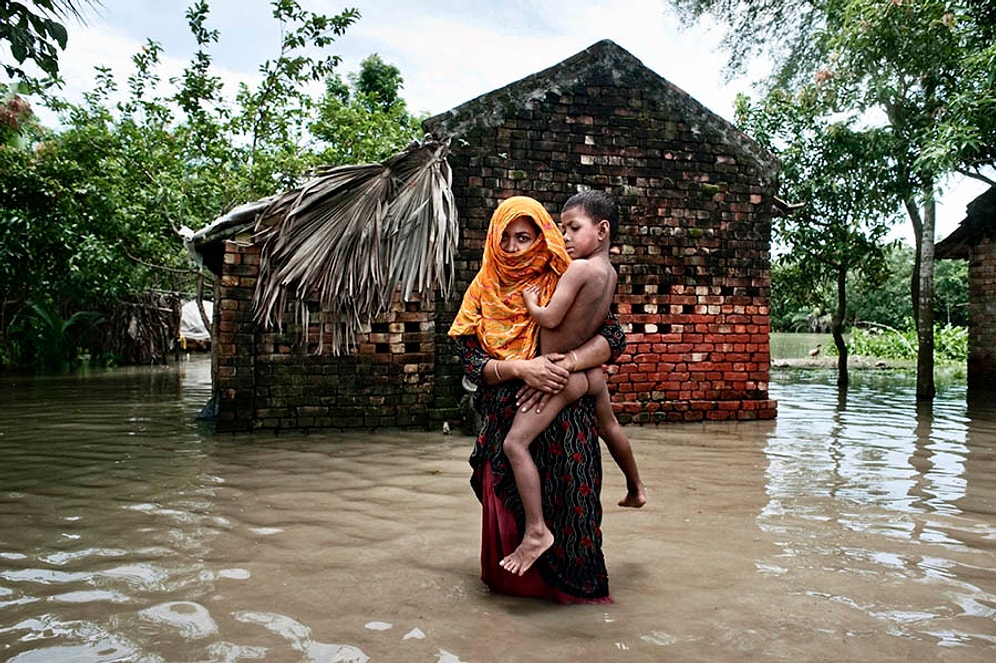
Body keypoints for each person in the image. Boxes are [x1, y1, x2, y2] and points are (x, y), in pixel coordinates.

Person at [448, 195, 626, 604]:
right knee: (508, 576)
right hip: (506, 423)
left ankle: (576, 611)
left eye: (523, 238)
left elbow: (613, 338)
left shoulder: (563, 276)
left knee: (572, 522)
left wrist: (563, 363)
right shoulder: (482, 289)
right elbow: (470, 361)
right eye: (505, 238)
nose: (512, 248)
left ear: (541, 237)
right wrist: (522, 369)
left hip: (567, 433)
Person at [499, 190, 645, 577]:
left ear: (602, 230)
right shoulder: (610, 274)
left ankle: (535, 531)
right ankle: (635, 488)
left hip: (560, 377)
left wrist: (531, 303)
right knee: (610, 424)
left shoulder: (578, 270)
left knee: (515, 443)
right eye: (561, 229)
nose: (564, 237)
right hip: (587, 374)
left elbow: (550, 319)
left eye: (572, 228)